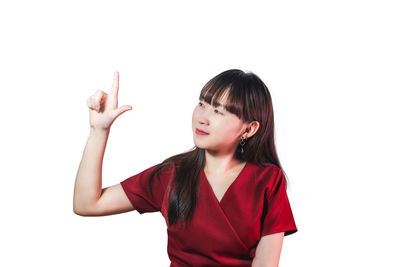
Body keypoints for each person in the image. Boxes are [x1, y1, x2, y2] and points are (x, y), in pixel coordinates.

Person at [73, 69, 298, 267]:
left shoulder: (267, 180)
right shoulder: (172, 174)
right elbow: (87, 204)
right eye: (202, 104)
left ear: (248, 129)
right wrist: (98, 131)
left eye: (219, 111)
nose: (202, 118)